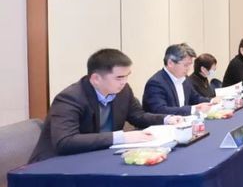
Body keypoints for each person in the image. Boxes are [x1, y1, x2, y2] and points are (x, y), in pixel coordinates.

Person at [28, 49, 178, 163]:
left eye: (127, 76)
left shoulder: (123, 91)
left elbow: (138, 116)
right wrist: (121, 137)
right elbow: (65, 142)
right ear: (96, 79)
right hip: (56, 164)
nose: (124, 82)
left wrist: (167, 119)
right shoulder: (70, 98)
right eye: (119, 77)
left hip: (98, 156)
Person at [143, 44, 214, 116]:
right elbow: (160, 110)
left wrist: (212, 101)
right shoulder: (156, 83)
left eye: (190, 65)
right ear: (170, 63)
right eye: (185, 65)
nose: (188, 69)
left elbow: (195, 98)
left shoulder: (185, 79)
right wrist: (192, 109)